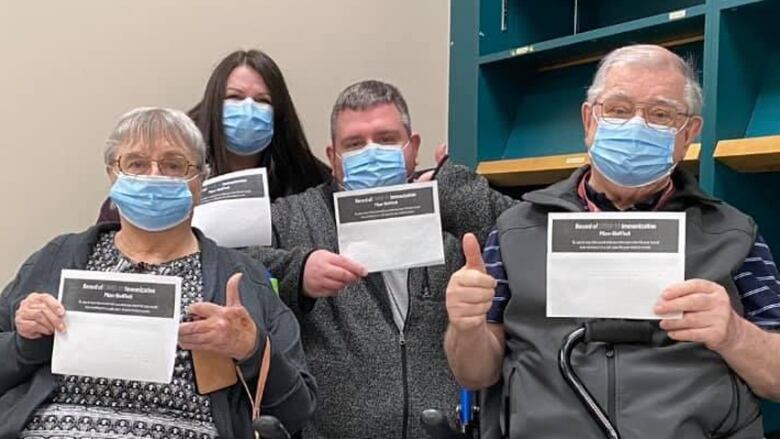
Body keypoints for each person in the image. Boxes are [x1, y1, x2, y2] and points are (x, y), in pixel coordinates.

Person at [444, 44, 780, 438]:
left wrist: (734, 334)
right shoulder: (516, 229)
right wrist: (466, 326)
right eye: (619, 110)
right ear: (590, 121)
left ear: (688, 133)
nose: (636, 126)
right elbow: (475, 372)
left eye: (660, 115)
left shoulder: (734, 234)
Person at [1, 107, 317, 438]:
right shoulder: (59, 257)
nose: (154, 176)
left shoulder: (241, 278)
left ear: (200, 180)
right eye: (136, 164)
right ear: (112, 173)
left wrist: (250, 349)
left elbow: (296, 411)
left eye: (173, 165)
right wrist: (26, 344)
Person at [249, 80, 462, 438]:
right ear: (333, 158)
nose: (372, 152)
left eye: (387, 139)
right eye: (355, 145)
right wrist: (297, 271)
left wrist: (459, 188)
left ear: (413, 148)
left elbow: (518, 236)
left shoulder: (449, 218)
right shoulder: (295, 216)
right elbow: (224, 261)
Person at [98, 49, 329, 222]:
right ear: (213, 104)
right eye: (235, 97)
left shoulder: (306, 174)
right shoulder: (174, 162)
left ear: (279, 112)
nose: (248, 109)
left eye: (262, 101)